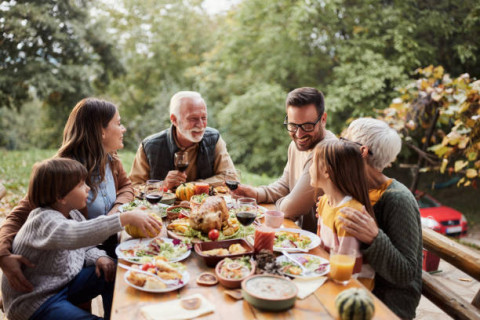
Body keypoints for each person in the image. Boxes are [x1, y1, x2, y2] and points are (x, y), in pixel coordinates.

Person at [0, 98, 135, 293]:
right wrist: (3, 256)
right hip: (70, 261)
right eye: (119, 123)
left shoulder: (110, 159)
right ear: (101, 131)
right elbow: (18, 216)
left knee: (124, 272)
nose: (123, 129)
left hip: (106, 246)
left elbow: (127, 187)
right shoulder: (63, 172)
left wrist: (116, 210)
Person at [1, 158, 162, 320]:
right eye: (81, 185)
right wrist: (123, 218)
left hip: (61, 284)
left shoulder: (72, 213)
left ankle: (114, 316)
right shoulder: (43, 220)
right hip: (36, 300)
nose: (88, 188)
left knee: (113, 269)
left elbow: (84, 245)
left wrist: (98, 257)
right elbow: (76, 234)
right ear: (60, 197)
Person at [337, 118, 422, 319]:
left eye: (344, 140)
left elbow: (406, 272)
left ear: (362, 152)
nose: (339, 145)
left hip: (385, 306)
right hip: (355, 289)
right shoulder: (358, 189)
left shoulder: (398, 199)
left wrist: (375, 237)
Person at [233, 87, 336, 233]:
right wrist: (255, 194)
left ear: (323, 119)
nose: (299, 134)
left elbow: (290, 208)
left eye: (307, 126)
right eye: (293, 125)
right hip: (295, 234)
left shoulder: (326, 151)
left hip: (316, 245)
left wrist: (272, 205)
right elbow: (285, 184)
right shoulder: (296, 145)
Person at [129, 91, 236, 190]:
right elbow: (134, 187)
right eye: (193, 119)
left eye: (203, 118)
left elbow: (230, 177)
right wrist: (163, 185)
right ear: (174, 120)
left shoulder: (214, 138)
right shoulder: (149, 146)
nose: (200, 125)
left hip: (206, 207)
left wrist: (192, 186)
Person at [310, 139, 376, 289]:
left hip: (351, 288)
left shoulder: (348, 215)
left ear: (326, 171)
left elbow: (349, 273)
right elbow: (321, 249)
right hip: (328, 272)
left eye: (312, 164)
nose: (309, 169)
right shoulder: (324, 202)